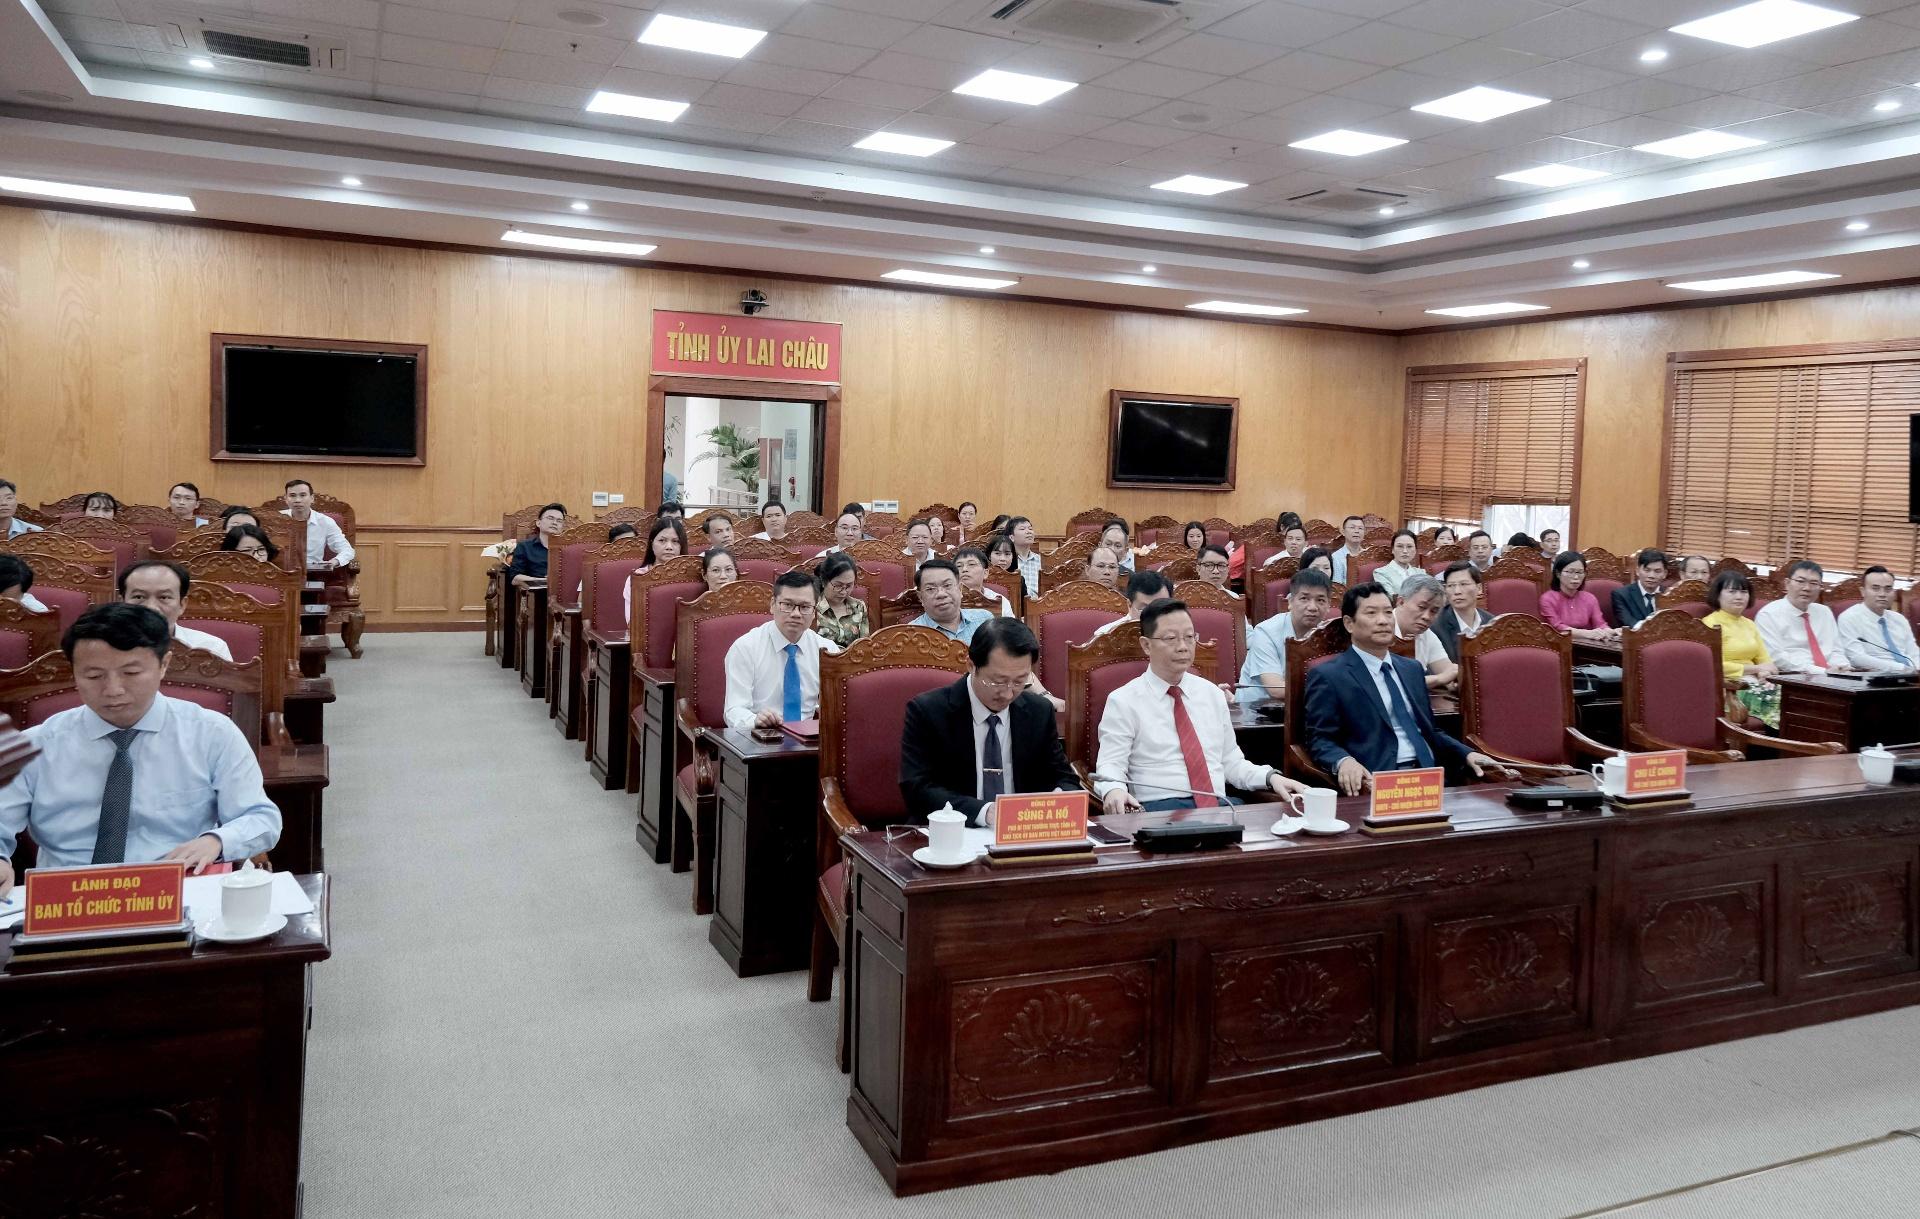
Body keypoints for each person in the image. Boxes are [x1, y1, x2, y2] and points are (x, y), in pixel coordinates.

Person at [0, 603, 280, 890]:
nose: (113, 690)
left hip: (177, 888)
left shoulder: (212, 734)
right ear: (73, 671)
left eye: (131, 673)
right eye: (94, 676)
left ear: (164, 665)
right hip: (66, 894)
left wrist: (216, 841)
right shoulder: (34, 747)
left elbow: (261, 818)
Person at [1092, 600, 1310, 813]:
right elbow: (1111, 765)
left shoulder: (1212, 695)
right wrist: (1114, 790)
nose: (1183, 647)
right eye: (1171, 638)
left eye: (1189, 637)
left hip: (1220, 807)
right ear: (1146, 645)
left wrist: (1270, 777)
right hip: (1158, 811)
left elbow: (1231, 763)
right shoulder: (1124, 701)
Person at [1304, 584, 1498, 795]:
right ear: (1349, 623)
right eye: (1371, 613)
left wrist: (1466, 754)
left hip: (1431, 777)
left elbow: (1430, 731)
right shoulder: (1329, 675)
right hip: (1377, 782)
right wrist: (1343, 761)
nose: (1383, 620)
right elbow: (1320, 739)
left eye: (1388, 612)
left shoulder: (1412, 669)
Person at [897, 618, 1079, 825]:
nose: (1008, 694)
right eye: (997, 681)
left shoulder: (1039, 712)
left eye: (1019, 681)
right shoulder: (928, 711)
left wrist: (1059, 795)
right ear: (971, 665)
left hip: (1022, 832)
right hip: (954, 831)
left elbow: (1065, 778)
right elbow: (917, 789)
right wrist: (985, 812)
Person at [722, 571, 840, 730]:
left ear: (814, 612)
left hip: (809, 737)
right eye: (787, 605)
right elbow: (733, 710)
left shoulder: (827, 650)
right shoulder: (745, 648)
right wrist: (755, 720)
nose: (796, 614)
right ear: (773, 605)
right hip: (758, 735)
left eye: (805, 607)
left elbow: (837, 705)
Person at [1238, 567, 1331, 705]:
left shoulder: (1331, 633)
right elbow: (1276, 689)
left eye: (1320, 600)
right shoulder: (1266, 632)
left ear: (1329, 605)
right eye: (1304, 598)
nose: (1312, 607)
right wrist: (1331, 688)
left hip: (1308, 707)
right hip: (1258, 709)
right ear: (1290, 602)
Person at [118, 560, 233, 661]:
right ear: (122, 602)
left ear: (182, 605)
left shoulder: (211, 649)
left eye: (164, 597)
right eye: (139, 597)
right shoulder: (107, 647)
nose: (151, 607)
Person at [1756, 559, 1851, 673]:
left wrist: (1842, 667)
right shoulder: (1768, 615)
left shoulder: (1824, 612)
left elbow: (1836, 650)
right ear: (1787, 583)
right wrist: (1821, 672)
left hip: (1832, 675)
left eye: (1814, 583)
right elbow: (1776, 657)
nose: (1807, 588)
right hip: (1792, 676)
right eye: (1800, 581)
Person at [1838, 566, 1917, 672]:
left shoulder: (1899, 619)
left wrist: (1916, 670)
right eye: (1875, 588)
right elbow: (1857, 658)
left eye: (1888, 589)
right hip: (1878, 676)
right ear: (1863, 591)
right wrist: (1901, 669)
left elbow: (1914, 653)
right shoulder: (1849, 618)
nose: (1882, 594)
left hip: (1912, 674)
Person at [1392, 573, 1458, 700]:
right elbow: (1389, 683)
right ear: (1401, 602)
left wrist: (1455, 681)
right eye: (1421, 607)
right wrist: (1438, 679)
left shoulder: (1427, 635)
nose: (1427, 617)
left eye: (1434, 611)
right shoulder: (1379, 630)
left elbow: (1447, 672)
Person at [1704, 572, 1777, 681]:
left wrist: (1765, 673)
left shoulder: (1750, 624)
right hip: (1729, 683)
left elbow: (1764, 659)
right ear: (1717, 595)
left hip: (1756, 680)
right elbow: (1715, 665)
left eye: (1744, 592)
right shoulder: (1709, 625)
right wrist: (1757, 669)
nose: (1739, 597)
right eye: (1732, 592)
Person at [907, 558, 992, 644]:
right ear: (920, 597)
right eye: (930, 589)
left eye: (947, 585)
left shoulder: (984, 619)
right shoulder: (910, 635)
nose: (941, 594)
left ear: (960, 589)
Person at [1540, 552, 1619, 643]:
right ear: (1558, 574)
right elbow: (1557, 627)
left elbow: (1600, 624)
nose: (1576, 577)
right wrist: (1588, 633)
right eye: (1570, 572)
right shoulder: (1547, 599)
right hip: (1558, 645)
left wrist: (1612, 632)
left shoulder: (1590, 598)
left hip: (1587, 646)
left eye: (1580, 572)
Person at [622, 517, 689, 621]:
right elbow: (632, 621)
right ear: (652, 543)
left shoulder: (692, 576)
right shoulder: (637, 578)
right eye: (662, 540)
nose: (669, 547)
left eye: (675, 541)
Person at [280, 480, 354, 571]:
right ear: (286, 499)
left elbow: (347, 550)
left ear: (312, 498)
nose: (297, 500)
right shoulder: (274, 519)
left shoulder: (325, 522)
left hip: (313, 573)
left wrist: (334, 562)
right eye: (292, 495)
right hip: (280, 573)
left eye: (303, 495)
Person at [1429, 562, 1489, 663]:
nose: (1457, 591)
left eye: (1463, 584)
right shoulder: (1435, 627)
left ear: (1479, 588)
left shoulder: (1492, 623)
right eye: (1451, 586)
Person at [1093, 570, 1174, 639]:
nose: (1155, 617)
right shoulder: (1106, 636)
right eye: (1145, 609)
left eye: (1162, 608)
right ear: (1129, 605)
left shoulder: (1180, 632)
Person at [813, 553, 869, 648]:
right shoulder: (812, 608)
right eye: (838, 586)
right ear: (823, 581)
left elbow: (864, 646)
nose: (843, 592)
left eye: (849, 586)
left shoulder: (859, 606)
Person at [508, 502, 567, 587]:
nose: (555, 522)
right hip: (536, 591)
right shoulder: (524, 547)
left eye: (559, 521)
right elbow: (515, 578)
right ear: (538, 523)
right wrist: (543, 581)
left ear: (562, 527)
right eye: (550, 518)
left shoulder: (569, 548)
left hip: (565, 591)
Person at [1612, 548, 1667, 628]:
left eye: (1657, 571)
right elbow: (1629, 623)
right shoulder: (1621, 595)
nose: (1651, 576)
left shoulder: (1671, 595)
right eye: (1647, 570)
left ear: (1665, 574)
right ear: (1637, 571)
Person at [953, 546, 1014, 617]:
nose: (964, 569)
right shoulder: (947, 599)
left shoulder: (997, 600)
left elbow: (1010, 623)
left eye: (971, 564)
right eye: (959, 566)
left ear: (985, 573)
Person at [1375, 529, 1419, 597]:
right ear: (1392, 549)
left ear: (1415, 550)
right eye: (1400, 546)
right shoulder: (1381, 573)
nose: (1405, 551)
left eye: (1409, 546)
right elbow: (1390, 598)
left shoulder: (1421, 573)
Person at [1006, 516, 1042, 597]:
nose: (1028, 532)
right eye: (1022, 529)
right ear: (1011, 537)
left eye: (1030, 529)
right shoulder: (1007, 561)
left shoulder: (1041, 560)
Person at [1329, 515, 1367, 583]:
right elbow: (1338, 585)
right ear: (1343, 532)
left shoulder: (1369, 554)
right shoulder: (1336, 557)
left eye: (1360, 528)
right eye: (1352, 527)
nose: (1357, 531)